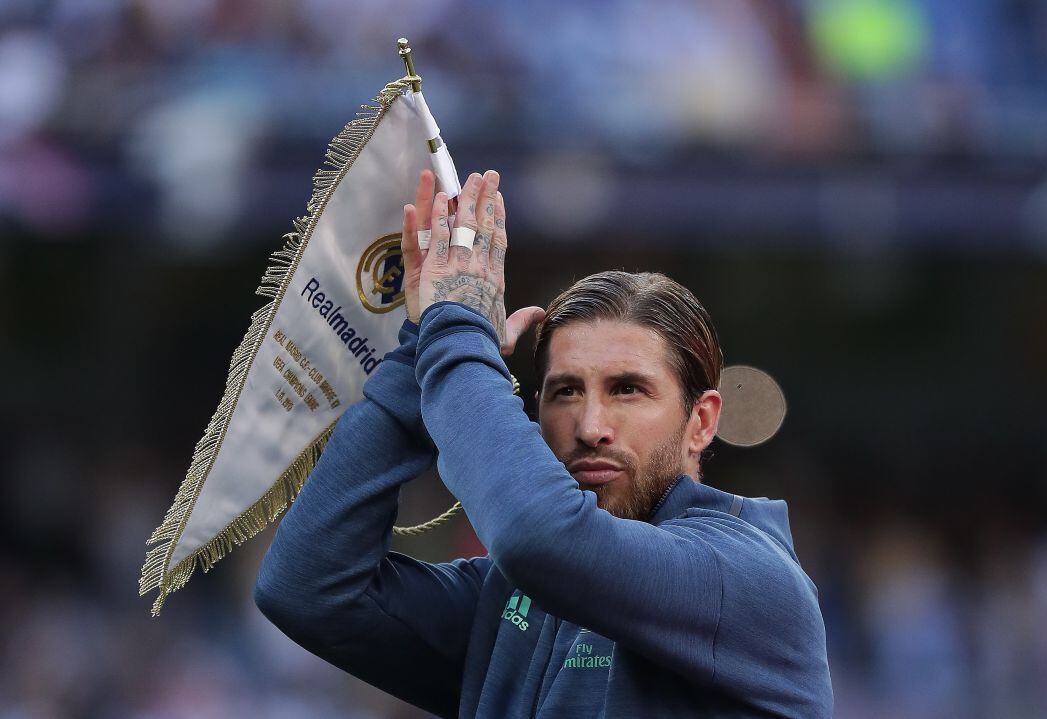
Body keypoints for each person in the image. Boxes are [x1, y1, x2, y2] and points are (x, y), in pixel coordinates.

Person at [254, 169, 833, 717]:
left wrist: (456, 331)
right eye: (564, 392)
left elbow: (540, 536)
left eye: (628, 390)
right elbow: (307, 589)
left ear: (701, 422)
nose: (589, 426)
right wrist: (418, 358)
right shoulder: (514, 601)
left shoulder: (744, 576)